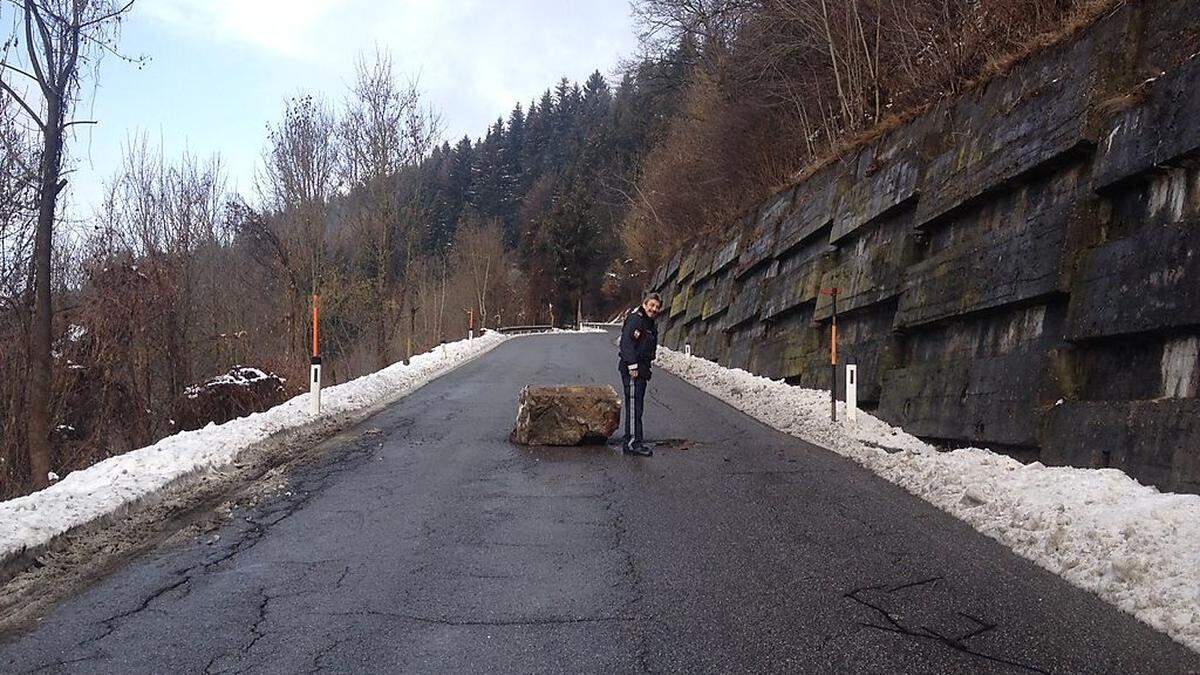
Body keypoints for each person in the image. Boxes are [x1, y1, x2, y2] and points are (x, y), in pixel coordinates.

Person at [618, 292, 662, 456]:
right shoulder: (636, 319)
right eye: (651, 305)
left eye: (657, 307)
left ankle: (635, 440)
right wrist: (632, 366)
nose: (654, 309)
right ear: (644, 304)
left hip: (642, 370)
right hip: (633, 371)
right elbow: (626, 343)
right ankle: (631, 444)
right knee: (633, 406)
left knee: (638, 407)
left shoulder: (649, 323)